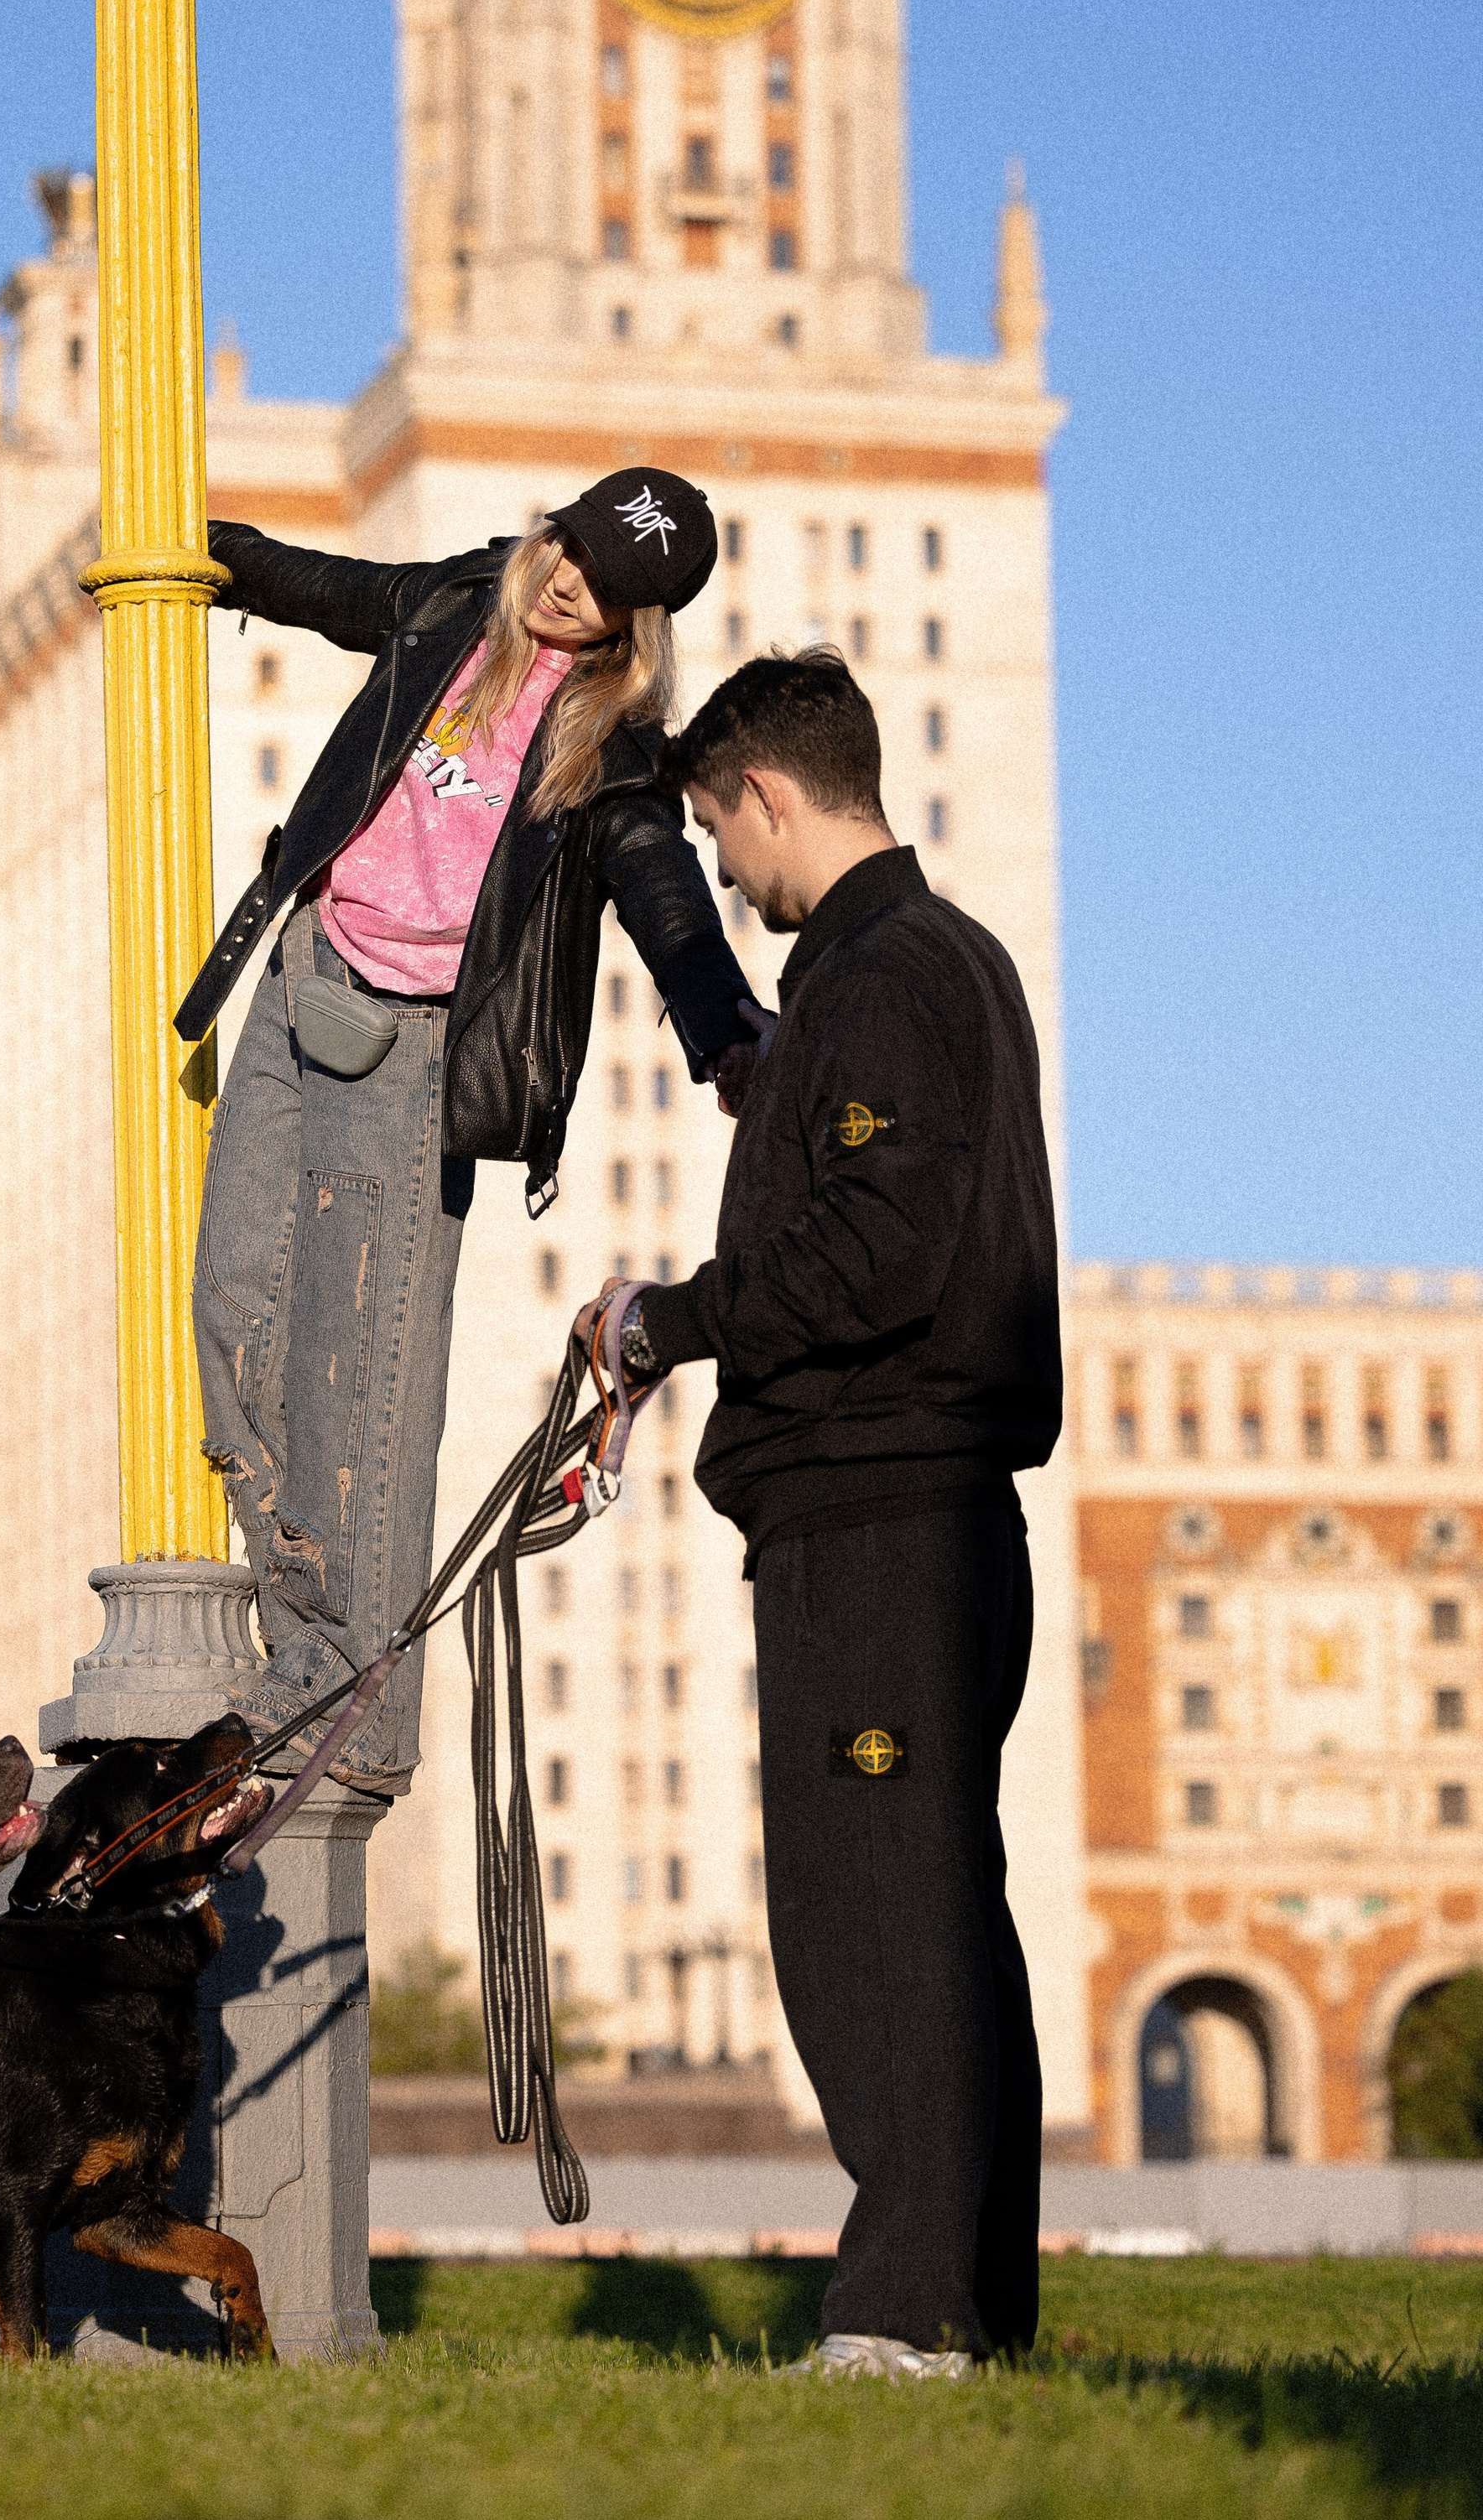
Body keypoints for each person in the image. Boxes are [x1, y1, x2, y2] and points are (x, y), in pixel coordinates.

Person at [578, 647, 1060, 2375]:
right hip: (931, 1511)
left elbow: (875, 1245)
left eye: (720, 833)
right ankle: (968, 2306)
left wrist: (664, 1321)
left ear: (770, 794)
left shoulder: (879, 973)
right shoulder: (942, 961)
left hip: (875, 1514)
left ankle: (904, 2312)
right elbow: (876, 1188)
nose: (725, 873)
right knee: (938, 1906)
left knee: (871, 1919)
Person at [175, 470, 761, 1793]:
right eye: (571, 547)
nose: (568, 585)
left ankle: (354, 1695)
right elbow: (330, 590)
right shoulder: (454, 605)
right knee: (234, 1302)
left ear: (633, 626)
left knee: (363, 1374)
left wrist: (722, 1018)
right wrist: (202, 548)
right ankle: (301, 1628)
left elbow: (662, 885)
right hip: (305, 979)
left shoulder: (611, 746)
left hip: (414, 1047)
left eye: (604, 589)